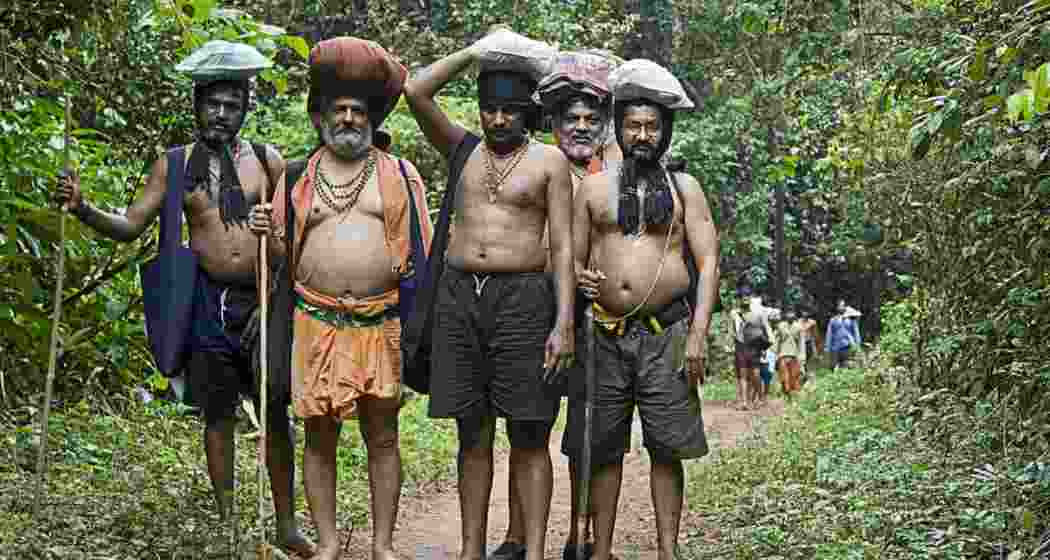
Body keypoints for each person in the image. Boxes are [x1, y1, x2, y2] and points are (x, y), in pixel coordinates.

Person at [54, 42, 313, 556]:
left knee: (276, 411)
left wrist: (272, 265)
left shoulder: (269, 162)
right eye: (213, 103)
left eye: (232, 105)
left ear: (246, 109)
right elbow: (130, 225)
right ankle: (226, 523)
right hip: (207, 304)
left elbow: (293, 245)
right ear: (197, 105)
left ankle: (286, 524)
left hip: (261, 301)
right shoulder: (173, 166)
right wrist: (83, 208)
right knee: (217, 414)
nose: (221, 113)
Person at [249, 37, 427, 560]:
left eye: (358, 110)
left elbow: (423, 252)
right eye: (339, 110)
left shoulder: (399, 173)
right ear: (321, 117)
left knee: (383, 436)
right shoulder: (296, 176)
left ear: (371, 119)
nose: (349, 118)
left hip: (380, 322)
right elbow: (280, 256)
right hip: (315, 320)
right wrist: (264, 230)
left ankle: (383, 545)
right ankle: (327, 544)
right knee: (319, 436)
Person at [404, 31, 576, 560]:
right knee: (471, 431)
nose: (498, 120)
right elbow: (415, 91)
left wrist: (563, 323)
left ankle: (535, 552)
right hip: (459, 297)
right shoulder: (462, 150)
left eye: (509, 111)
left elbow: (564, 247)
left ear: (528, 113)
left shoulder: (549, 162)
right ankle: (470, 550)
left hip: (525, 299)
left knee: (530, 432)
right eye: (489, 109)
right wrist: (474, 52)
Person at [567, 59, 718, 560]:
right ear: (619, 129)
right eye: (633, 125)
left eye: (652, 126)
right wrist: (580, 278)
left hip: (666, 333)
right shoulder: (593, 188)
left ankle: (667, 551)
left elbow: (709, 262)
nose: (642, 135)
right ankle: (602, 550)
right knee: (602, 447)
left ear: (665, 131)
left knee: (667, 448)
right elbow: (570, 260)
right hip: (604, 334)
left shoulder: (685, 189)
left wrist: (697, 335)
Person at [490, 49, 622, 560]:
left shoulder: (616, 173)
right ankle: (517, 534)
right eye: (572, 118)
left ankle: (579, 533)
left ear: (605, 125)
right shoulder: (535, 164)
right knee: (527, 427)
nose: (581, 127)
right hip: (534, 309)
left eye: (591, 119)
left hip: (597, 318)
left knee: (589, 430)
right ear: (554, 122)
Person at [774, 310, 803, 400]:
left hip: (793, 354)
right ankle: (787, 393)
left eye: (792, 316)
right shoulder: (781, 326)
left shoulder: (798, 327)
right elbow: (777, 340)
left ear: (794, 317)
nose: (790, 317)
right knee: (784, 376)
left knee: (794, 376)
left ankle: (791, 394)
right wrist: (775, 354)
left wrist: (802, 356)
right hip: (783, 354)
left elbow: (801, 343)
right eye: (788, 315)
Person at [825, 305, 857, 370]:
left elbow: (856, 332)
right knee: (834, 367)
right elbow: (829, 334)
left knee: (848, 366)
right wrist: (827, 347)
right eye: (840, 306)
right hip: (835, 347)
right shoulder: (833, 320)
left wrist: (856, 344)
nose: (841, 308)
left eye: (843, 306)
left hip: (848, 346)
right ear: (837, 308)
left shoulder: (851, 320)